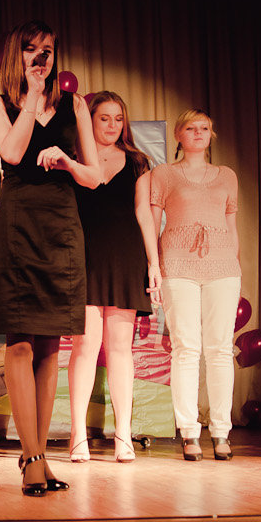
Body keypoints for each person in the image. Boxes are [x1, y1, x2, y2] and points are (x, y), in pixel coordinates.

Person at [0, 21, 100, 495]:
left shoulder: (75, 104)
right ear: (16, 54)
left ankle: (41, 455)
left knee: (51, 344)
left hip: (62, 225)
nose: (40, 57)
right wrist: (31, 96)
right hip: (18, 223)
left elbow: (94, 176)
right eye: (31, 49)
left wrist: (68, 162)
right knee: (21, 342)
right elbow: (12, 153)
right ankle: (30, 456)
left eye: (47, 50)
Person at [67, 91, 159, 463]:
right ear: (89, 120)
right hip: (83, 256)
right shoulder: (73, 157)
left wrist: (154, 263)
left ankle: (123, 434)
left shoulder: (137, 161)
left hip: (124, 256)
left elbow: (144, 213)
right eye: (104, 118)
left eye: (118, 118)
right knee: (85, 346)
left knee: (120, 348)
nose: (112, 125)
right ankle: (78, 434)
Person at [152, 109, 241, 461]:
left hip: (223, 266)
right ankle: (189, 431)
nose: (199, 133)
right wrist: (154, 264)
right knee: (186, 348)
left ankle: (221, 432)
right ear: (179, 134)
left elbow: (231, 225)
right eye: (191, 128)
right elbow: (152, 222)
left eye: (205, 128)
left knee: (220, 349)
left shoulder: (227, 175)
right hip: (178, 264)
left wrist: (235, 263)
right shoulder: (164, 174)